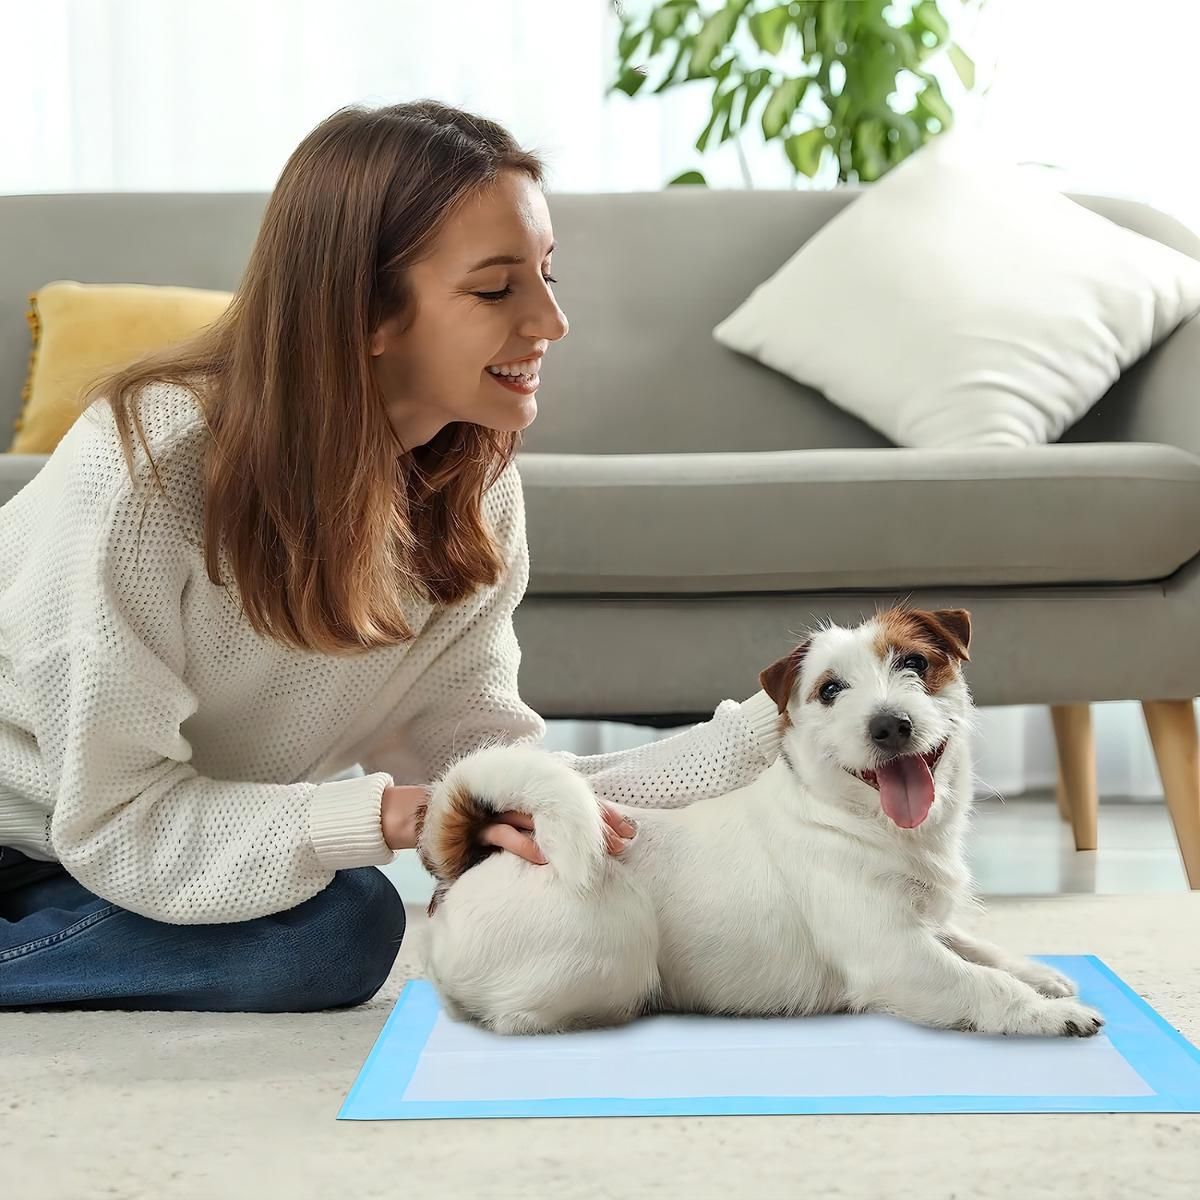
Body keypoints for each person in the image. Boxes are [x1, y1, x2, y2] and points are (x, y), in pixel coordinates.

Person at [0, 101, 782, 1014]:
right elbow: (117, 818)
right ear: (366, 312)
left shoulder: (472, 484)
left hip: (101, 852)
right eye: (497, 289)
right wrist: (390, 814)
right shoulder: (149, 471)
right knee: (346, 920)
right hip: (55, 829)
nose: (553, 321)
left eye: (547, 274)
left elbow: (486, 766)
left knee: (333, 924)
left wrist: (755, 740)